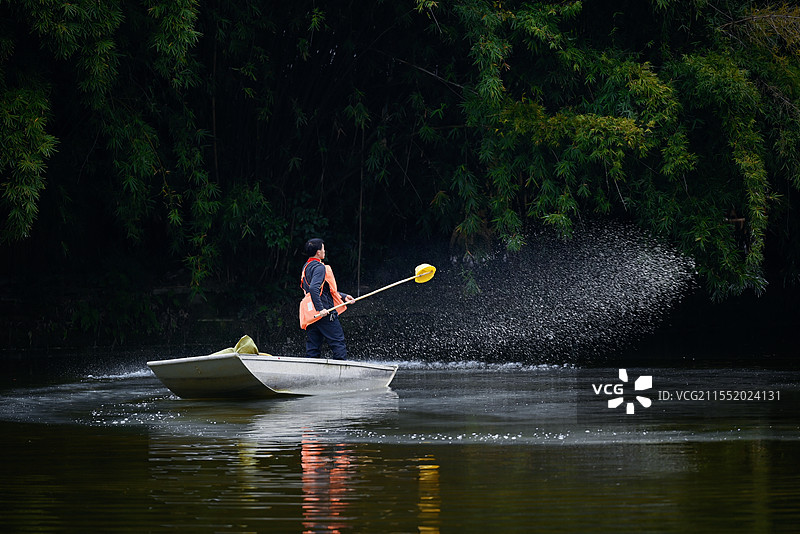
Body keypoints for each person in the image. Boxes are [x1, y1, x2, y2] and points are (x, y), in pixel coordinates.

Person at [299, 238, 355, 359]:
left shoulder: (306, 267)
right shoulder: (320, 267)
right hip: (324, 312)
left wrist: (343, 296)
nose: (324, 251)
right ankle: (341, 371)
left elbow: (323, 290)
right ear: (318, 252)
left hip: (311, 314)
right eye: (323, 249)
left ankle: (311, 372)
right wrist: (321, 309)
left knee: (313, 347)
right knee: (338, 341)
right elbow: (314, 288)